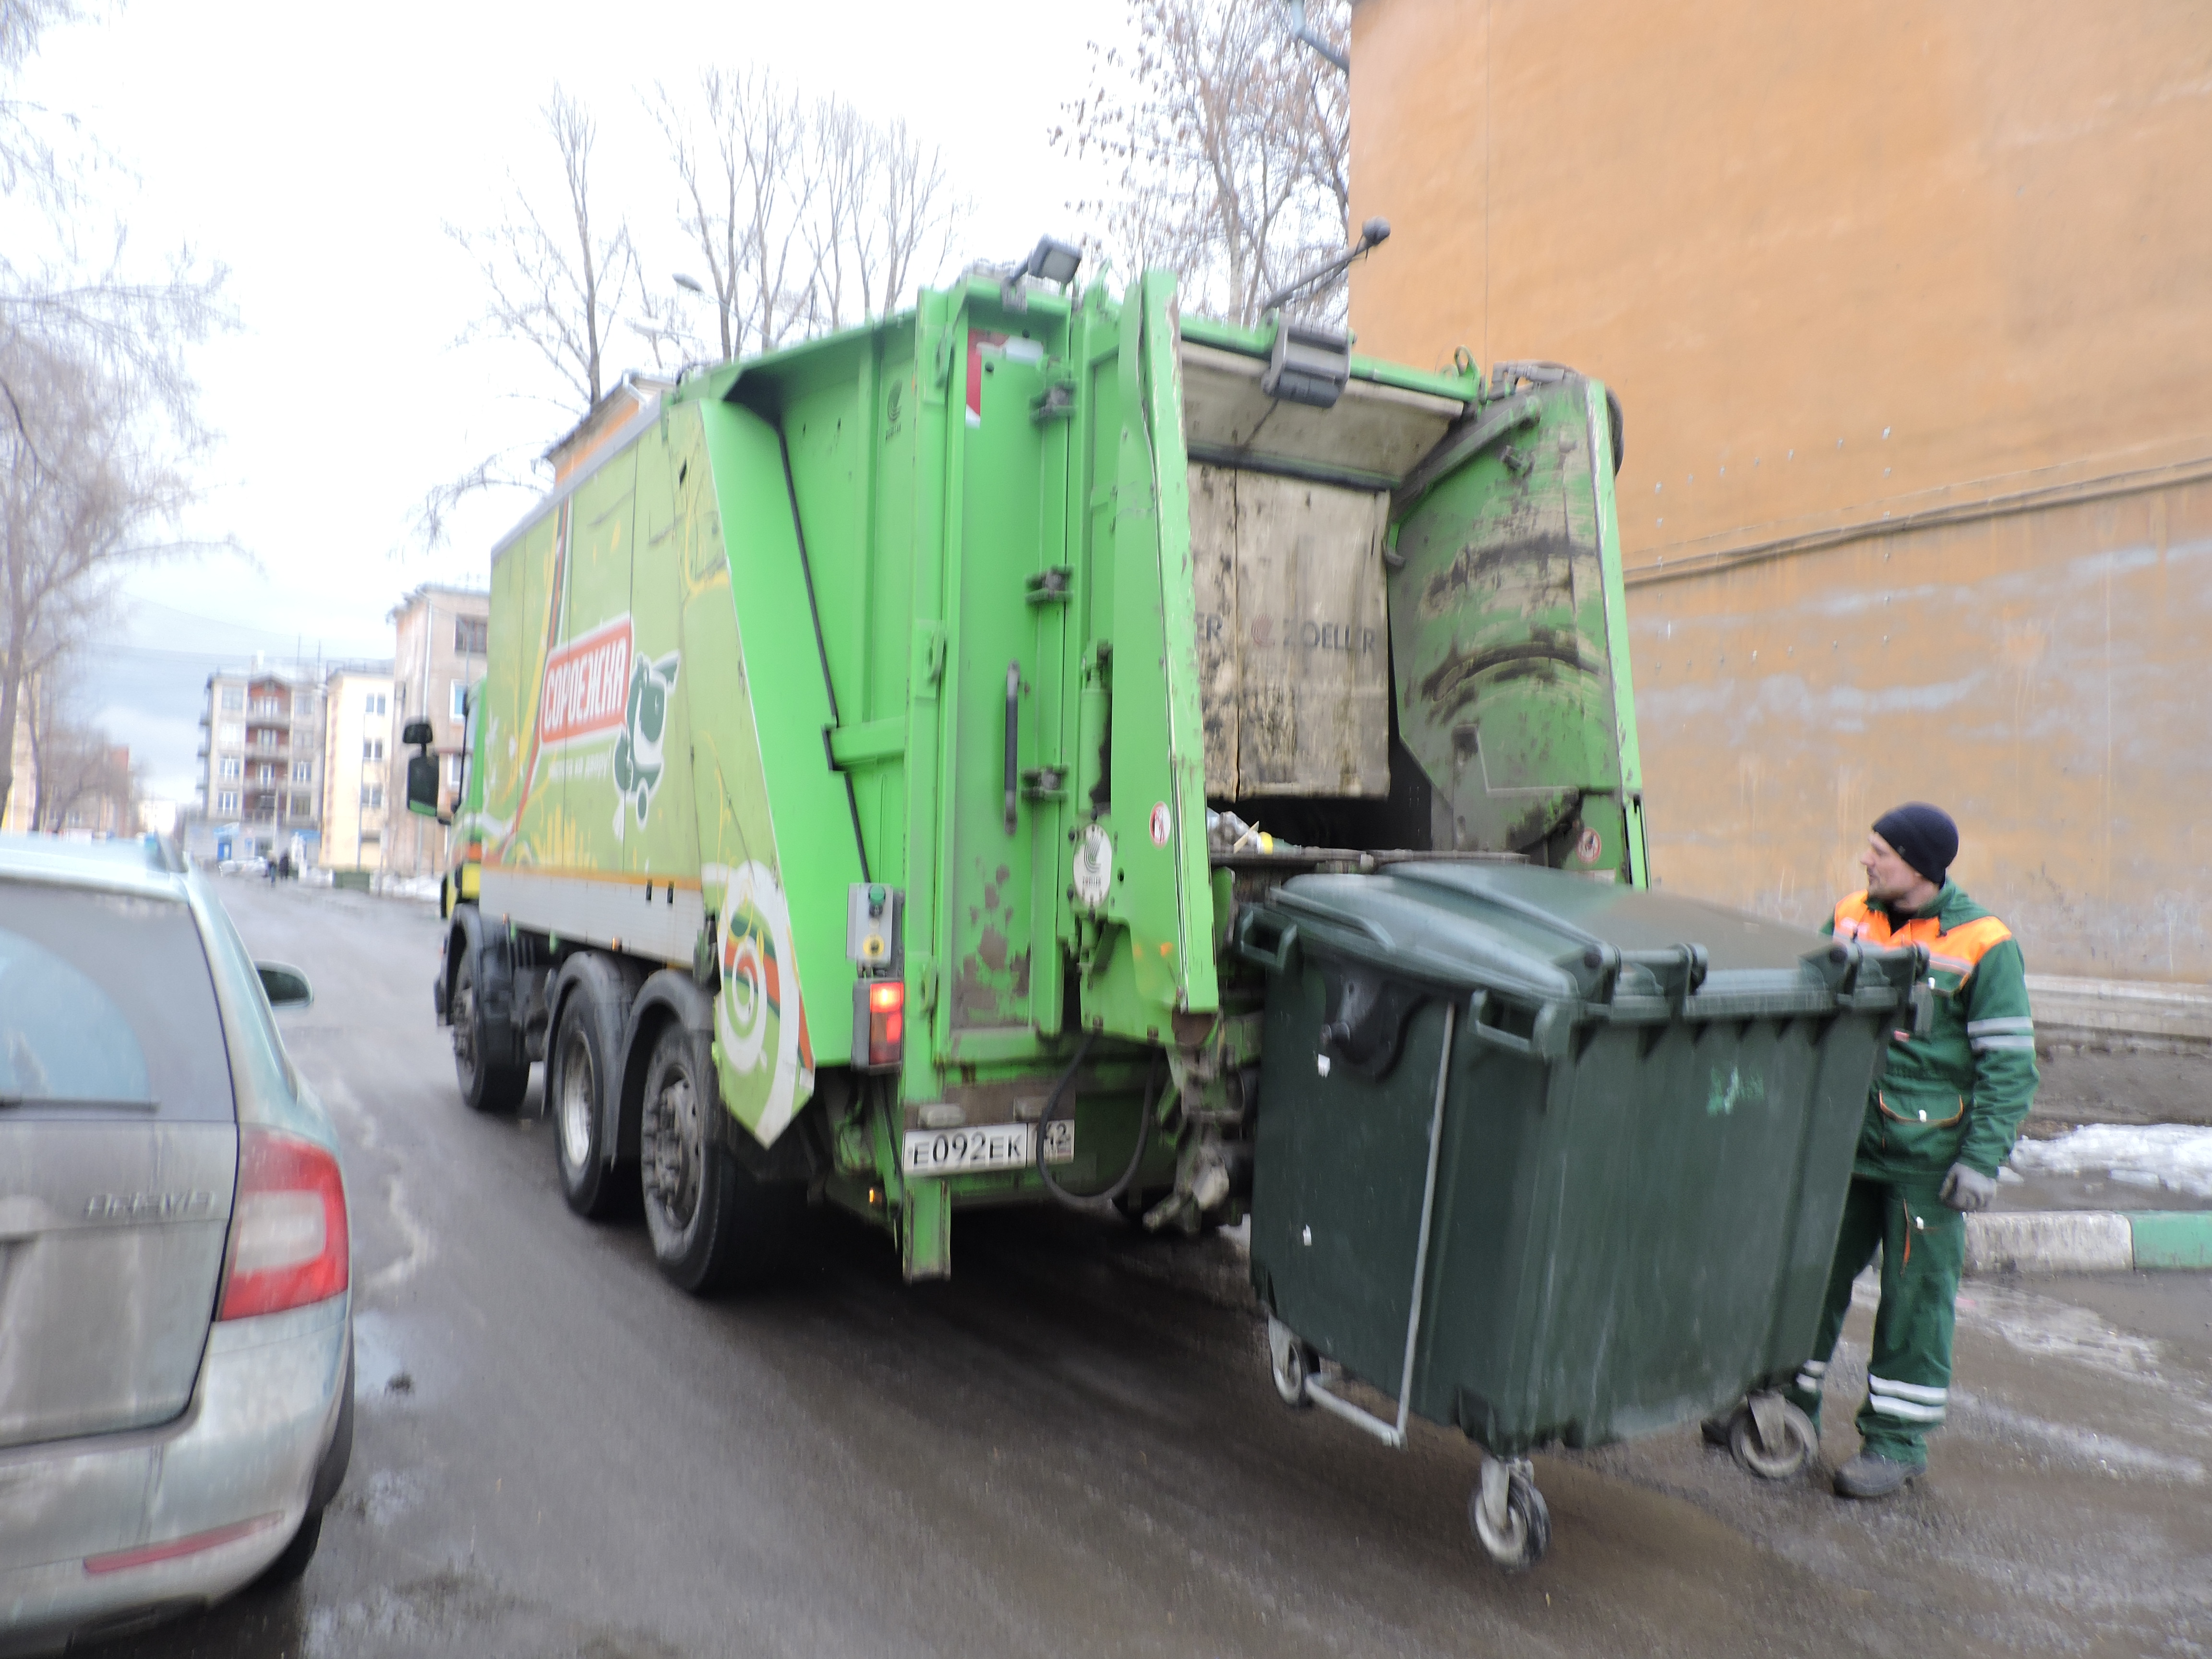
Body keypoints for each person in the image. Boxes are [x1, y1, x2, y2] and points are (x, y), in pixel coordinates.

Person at [1791, 803, 2038, 1497]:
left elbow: (2011, 1065)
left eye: (1881, 852)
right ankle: (1784, 1407)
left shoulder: (1985, 944)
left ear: (1920, 867)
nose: (1866, 862)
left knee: (1916, 1303)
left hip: (1927, 1159)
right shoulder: (1849, 916)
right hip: (1845, 1143)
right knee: (1806, 1280)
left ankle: (1896, 1443)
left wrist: (1981, 1159)